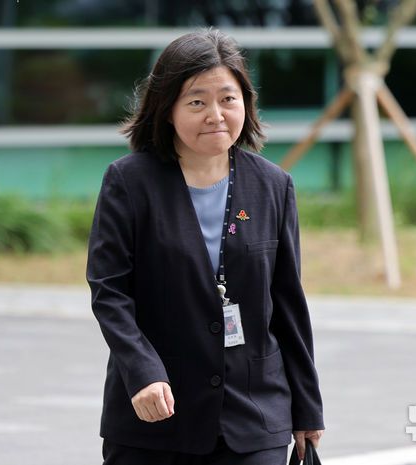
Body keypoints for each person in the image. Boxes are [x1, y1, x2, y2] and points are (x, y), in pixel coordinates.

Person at [86, 28, 324, 465]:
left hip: (254, 415)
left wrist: (307, 407)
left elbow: (288, 302)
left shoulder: (273, 186)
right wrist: (142, 372)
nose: (216, 115)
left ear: (245, 103)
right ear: (167, 109)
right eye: (197, 102)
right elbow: (110, 292)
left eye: (228, 99)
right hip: (156, 416)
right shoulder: (129, 182)